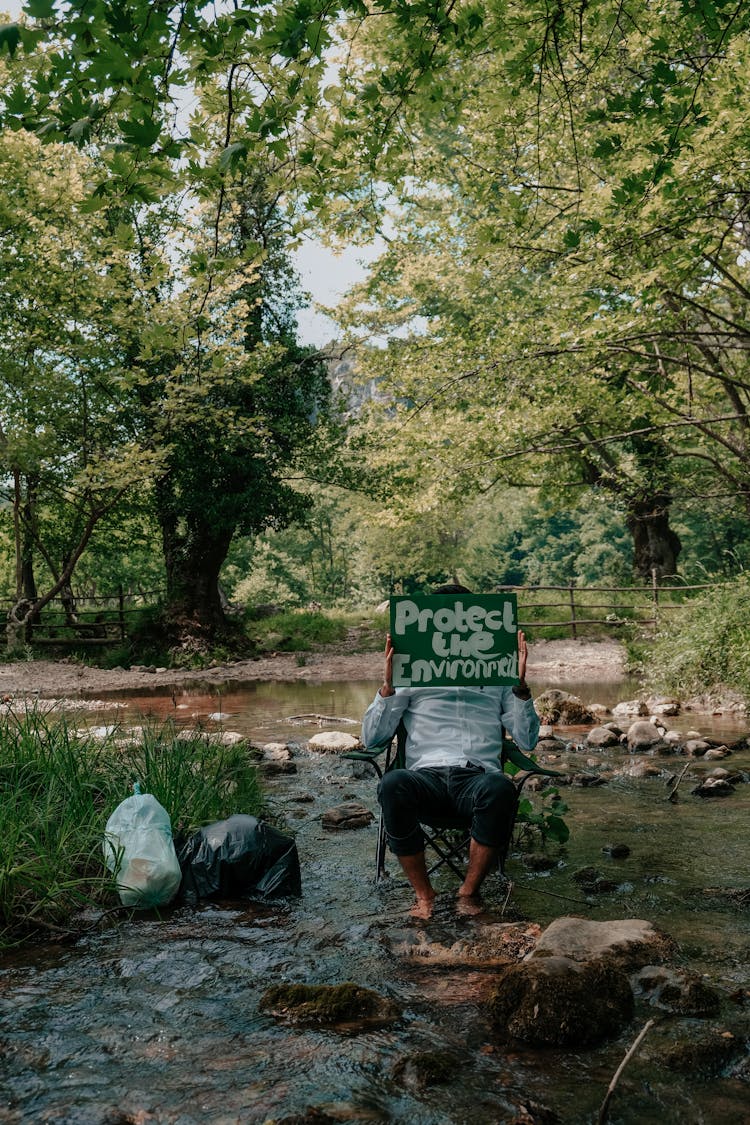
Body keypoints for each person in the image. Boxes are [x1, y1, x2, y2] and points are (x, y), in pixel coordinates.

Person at [361, 584, 540, 919]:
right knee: (392, 784)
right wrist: (387, 686)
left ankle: (468, 893)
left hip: (477, 780)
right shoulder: (411, 673)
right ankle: (424, 896)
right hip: (424, 778)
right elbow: (372, 739)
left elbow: (528, 740)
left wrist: (519, 684)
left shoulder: (497, 676)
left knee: (500, 786)